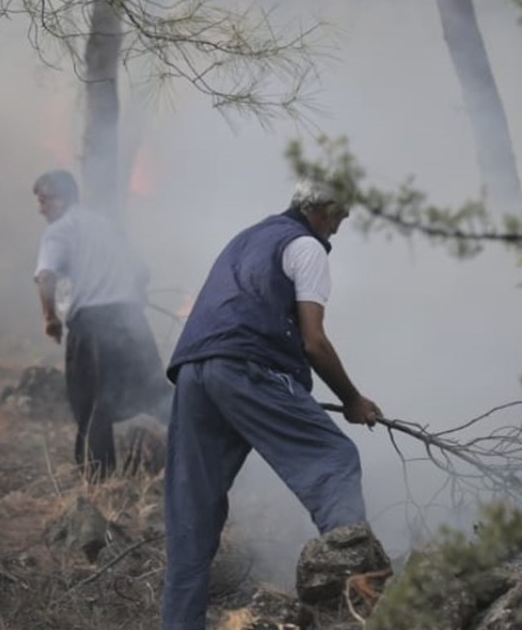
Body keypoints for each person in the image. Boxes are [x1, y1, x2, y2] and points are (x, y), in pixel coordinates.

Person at [161, 179, 382, 629]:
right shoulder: (307, 247)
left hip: (193, 370)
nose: (340, 226)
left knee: (192, 512)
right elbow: (314, 342)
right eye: (340, 215)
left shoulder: (248, 237)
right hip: (248, 367)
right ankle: (359, 599)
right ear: (321, 209)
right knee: (334, 459)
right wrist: (353, 400)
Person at [31, 169, 170, 481]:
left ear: (62, 198)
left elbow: (46, 276)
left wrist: (49, 317)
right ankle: (198, 447)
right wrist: (136, 294)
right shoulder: (104, 224)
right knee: (155, 394)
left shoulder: (59, 230)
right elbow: (141, 270)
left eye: (44, 201)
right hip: (132, 321)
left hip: (93, 327)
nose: (40, 209)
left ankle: (97, 482)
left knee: (92, 403)